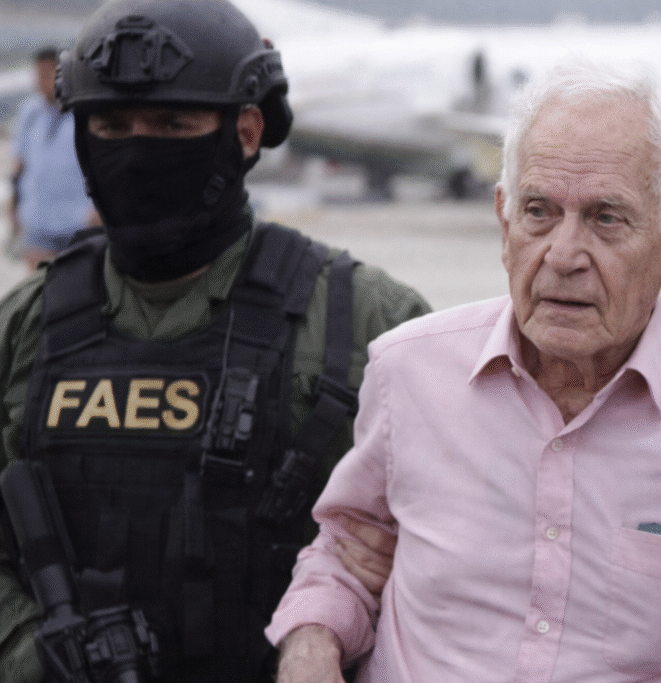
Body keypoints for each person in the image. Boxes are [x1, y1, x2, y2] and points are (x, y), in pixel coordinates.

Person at [266, 61, 661, 683]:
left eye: (606, 218)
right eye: (539, 211)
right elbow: (347, 557)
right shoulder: (407, 372)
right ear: (504, 224)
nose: (563, 256)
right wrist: (311, 645)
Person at [0, 1, 430, 682]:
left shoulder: (365, 319)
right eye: (111, 126)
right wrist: (36, 654)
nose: (137, 151)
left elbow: (444, 553)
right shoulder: (25, 325)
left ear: (248, 130)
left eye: (173, 124)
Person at [8, 47, 100, 271]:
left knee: (77, 293)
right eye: (38, 75)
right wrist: (13, 204)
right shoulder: (30, 113)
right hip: (38, 219)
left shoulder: (83, 113)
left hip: (78, 221)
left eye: (47, 75)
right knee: (38, 291)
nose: (42, 81)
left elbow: (100, 163)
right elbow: (20, 164)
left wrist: (98, 210)